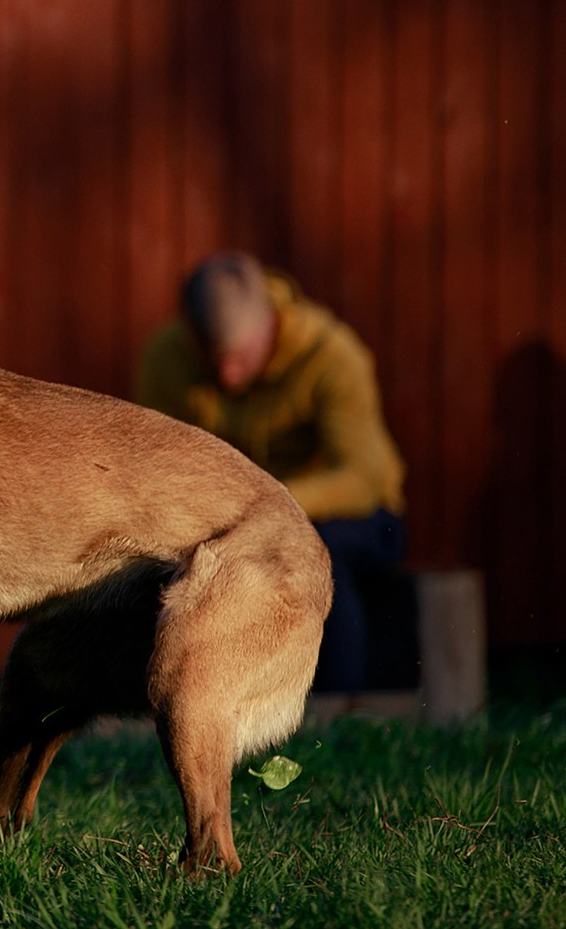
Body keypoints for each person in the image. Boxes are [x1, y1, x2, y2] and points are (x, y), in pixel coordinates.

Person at [134, 252, 409, 694]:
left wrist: (265, 505)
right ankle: (167, 699)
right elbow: (151, 468)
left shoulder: (331, 355)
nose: (226, 373)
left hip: (349, 516)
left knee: (315, 556)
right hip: (228, 520)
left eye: (240, 356)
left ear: (269, 323)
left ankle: (339, 710)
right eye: (212, 356)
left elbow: (363, 479)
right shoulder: (166, 358)